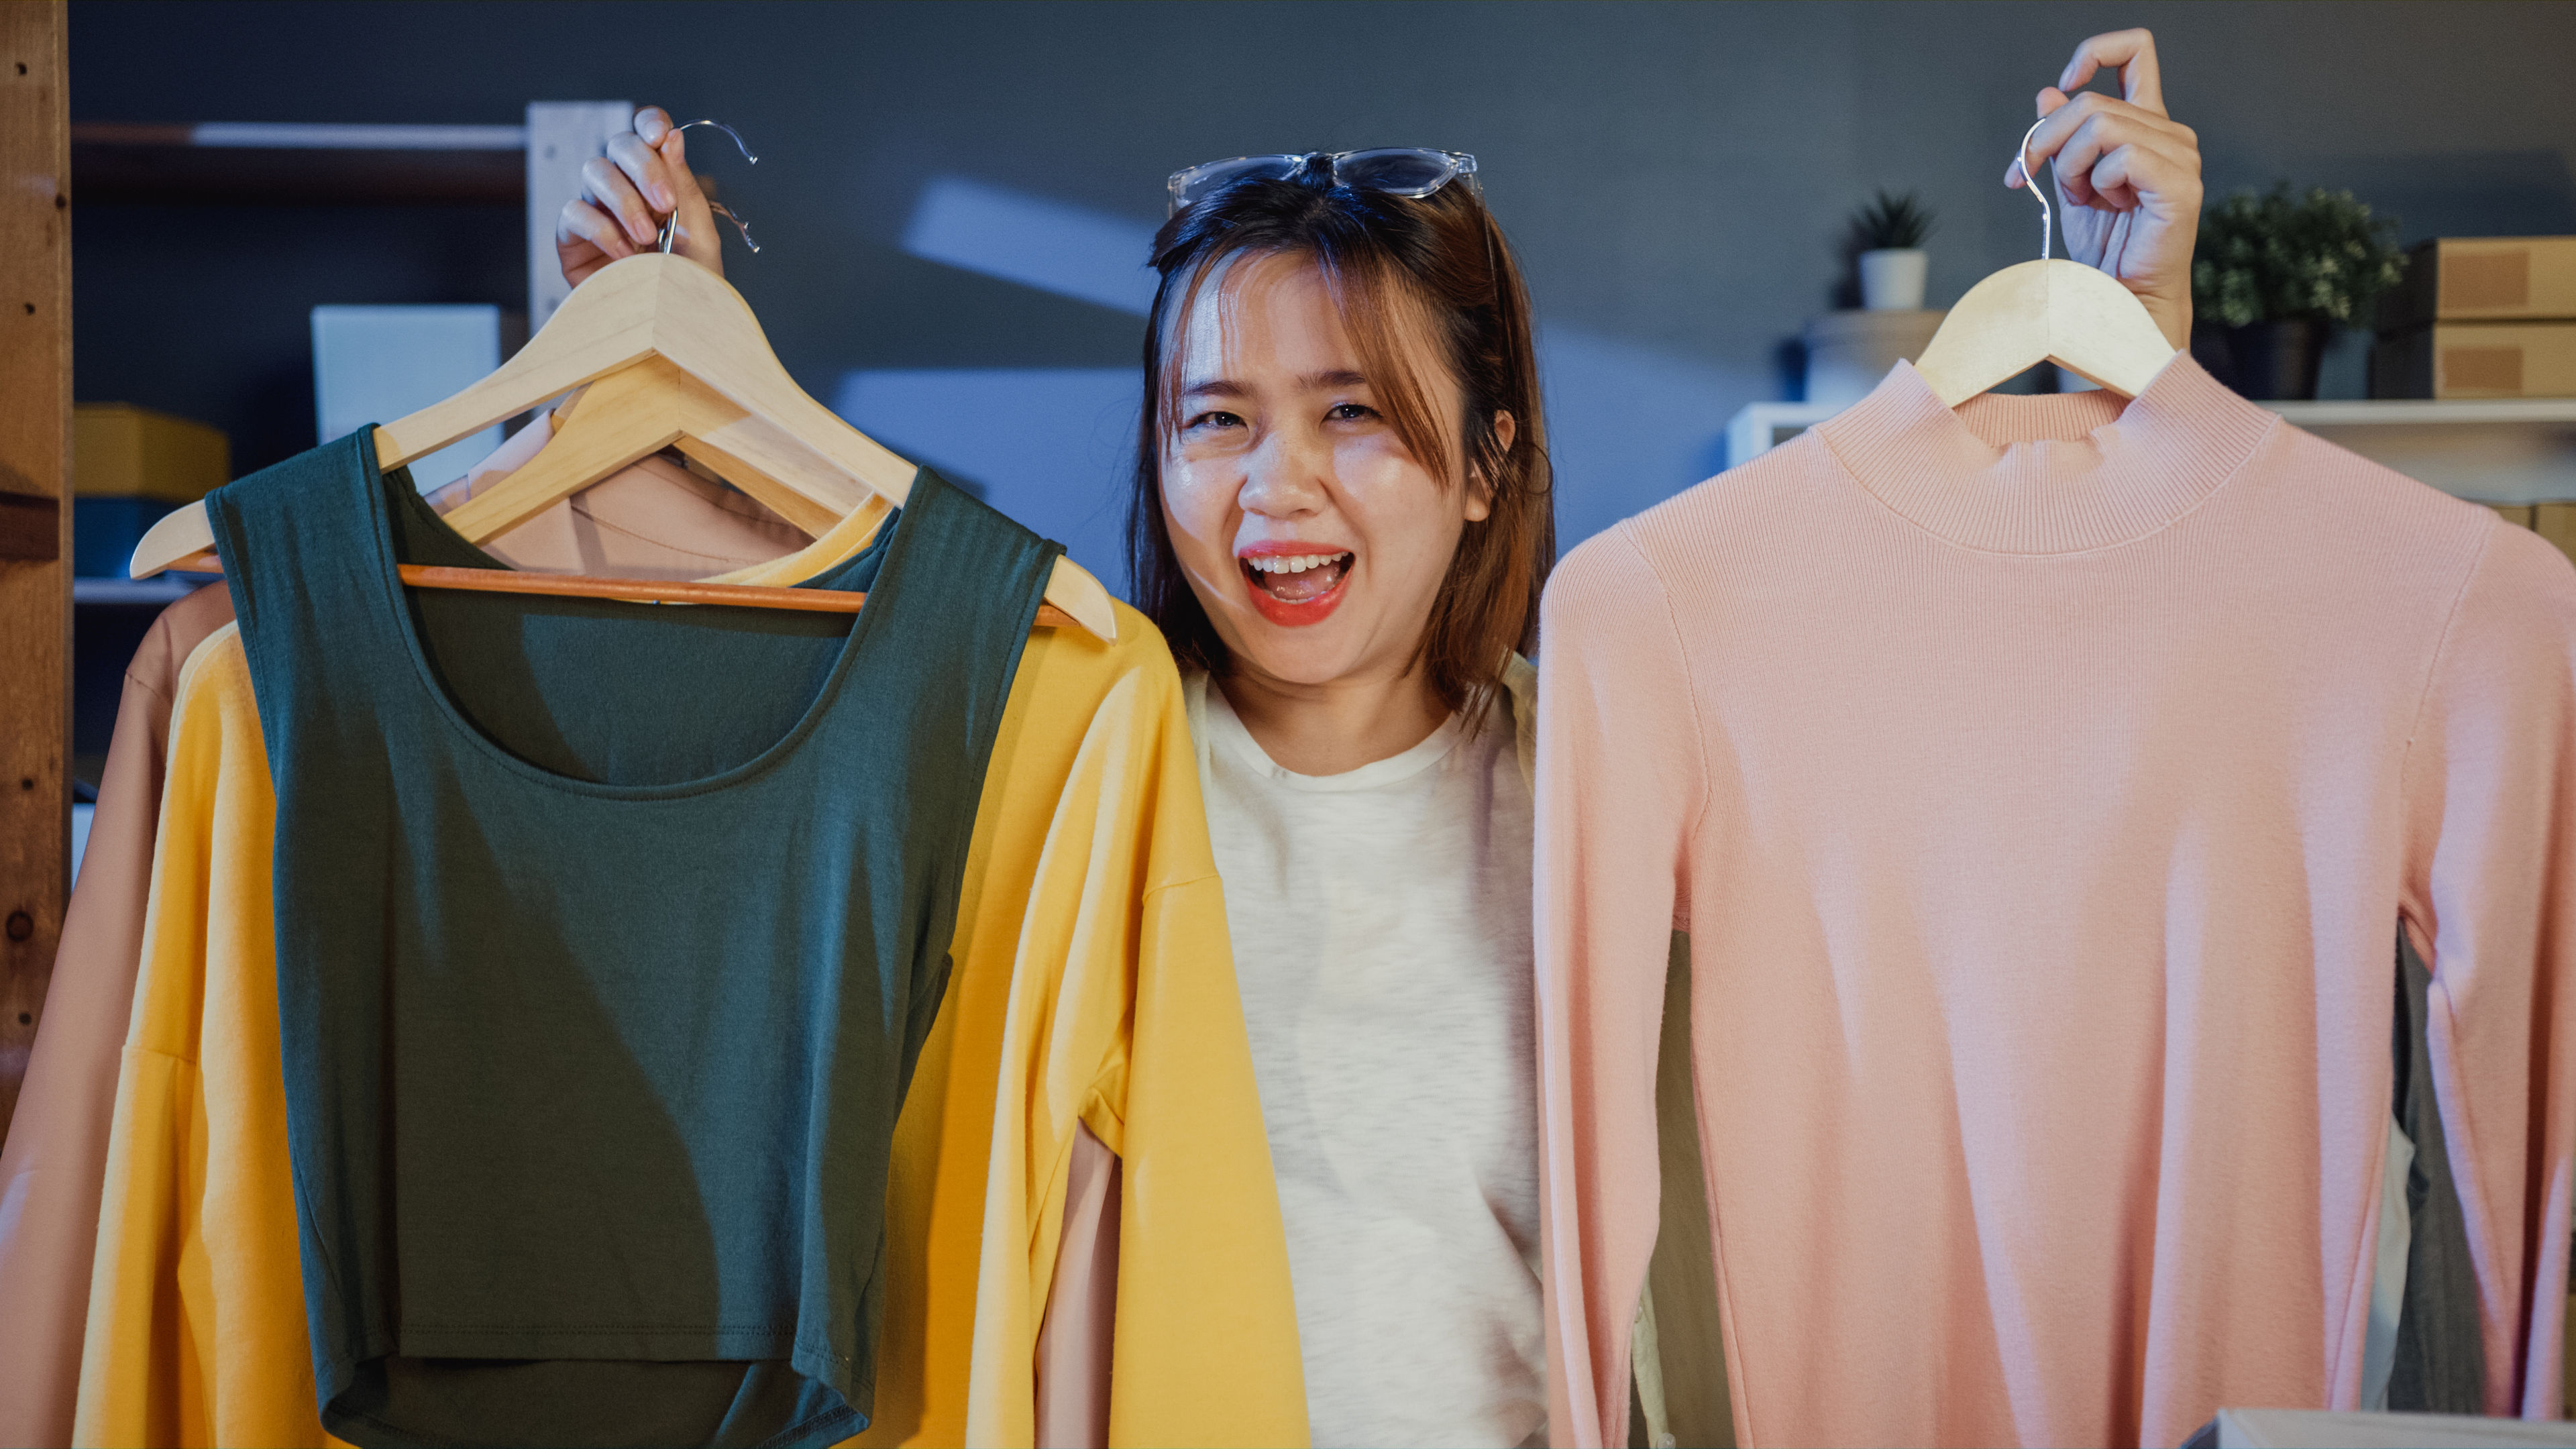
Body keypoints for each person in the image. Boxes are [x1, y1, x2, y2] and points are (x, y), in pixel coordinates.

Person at [559, 29, 2203, 1446]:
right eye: (1217, 421)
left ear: (1487, 461)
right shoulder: (1050, 777)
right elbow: (709, 784)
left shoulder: (1622, 791)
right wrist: (678, 374)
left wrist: (2147, 341)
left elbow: (2052, 792)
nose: (1277, 489)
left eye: (1354, 413)